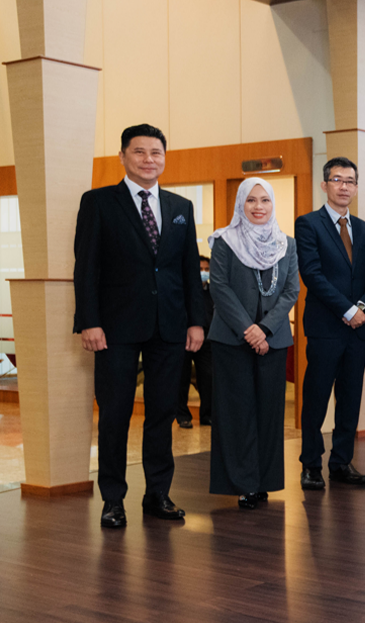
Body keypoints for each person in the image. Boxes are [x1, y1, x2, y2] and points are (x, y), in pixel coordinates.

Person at [73, 123, 206, 529]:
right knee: (114, 414)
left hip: (169, 326)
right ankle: (113, 499)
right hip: (114, 328)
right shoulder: (98, 202)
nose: (149, 160)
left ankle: (157, 494)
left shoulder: (181, 207)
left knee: (162, 413)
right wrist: (89, 322)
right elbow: (86, 268)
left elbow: (189, 270)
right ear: (123, 156)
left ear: (164, 158)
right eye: (140, 152)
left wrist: (196, 321)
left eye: (156, 153)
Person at [207, 178, 300, 509]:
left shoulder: (286, 244)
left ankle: (265, 481)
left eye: (265, 200)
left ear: (272, 204)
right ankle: (243, 483)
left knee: (270, 413)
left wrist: (265, 329)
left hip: (273, 340)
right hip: (232, 340)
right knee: (237, 413)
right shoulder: (225, 241)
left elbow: (291, 290)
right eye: (251, 200)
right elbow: (219, 288)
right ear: (240, 204)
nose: (258, 207)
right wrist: (249, 330)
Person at [295, 157, 365, 490]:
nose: (344, 186)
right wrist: (347, 310)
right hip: (325, 328)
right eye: (337, 180)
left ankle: (341, 462)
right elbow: (312, 275)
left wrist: (362, 308)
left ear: (356, 188)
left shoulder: (364, 229)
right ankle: (310, 464)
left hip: (358, 329)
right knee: (316, 398)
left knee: (350, 398)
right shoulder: (308, 224)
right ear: (325, 184)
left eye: (350, 181)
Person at [176, 256, 215, 428]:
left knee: (208, 377)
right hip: (184, 338)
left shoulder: (214, 292)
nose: (203, 273)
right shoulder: (183, 290)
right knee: (182, 378)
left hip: (207, 339)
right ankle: (182, 415)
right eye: (200, 269)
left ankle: (207, 415)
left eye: (206, 269)